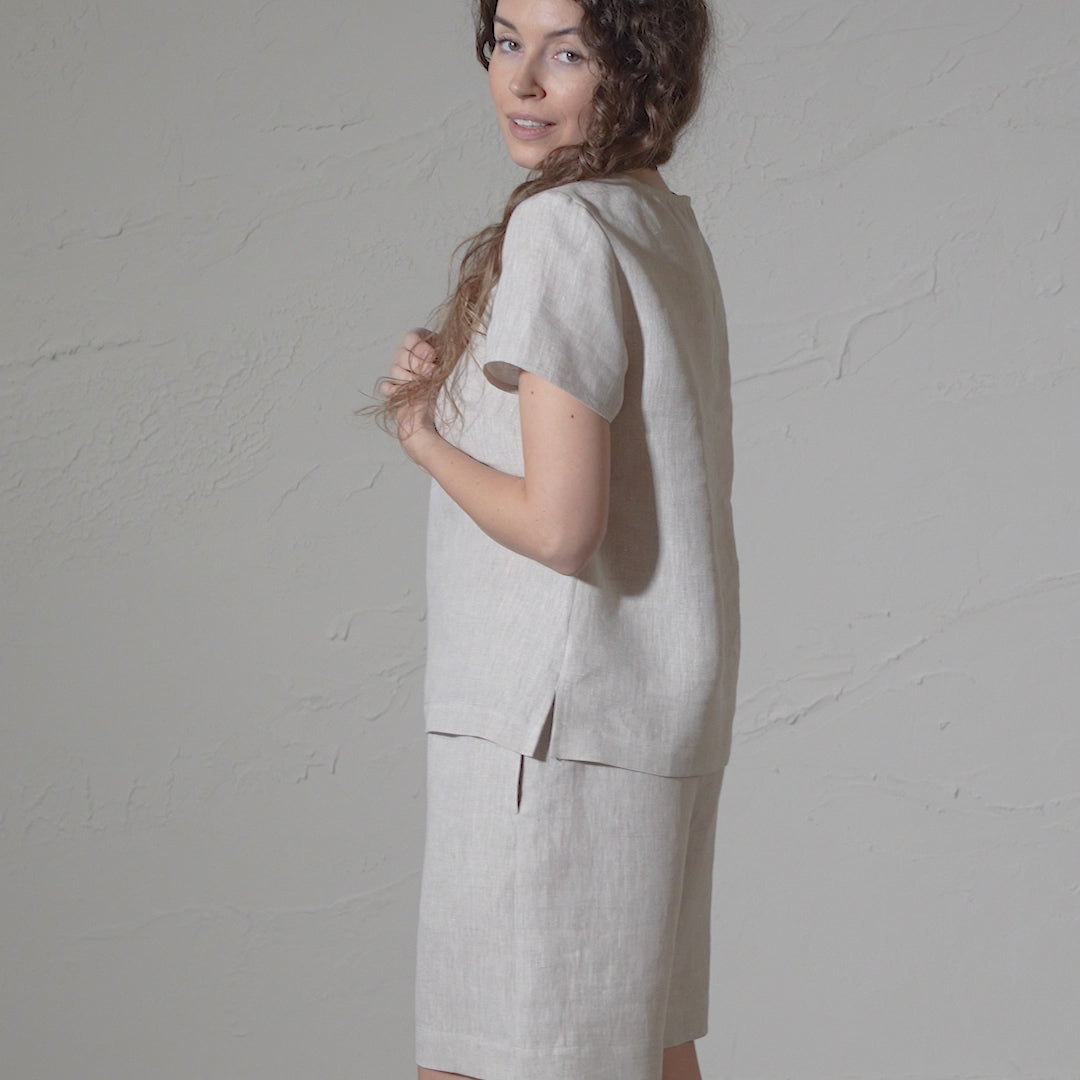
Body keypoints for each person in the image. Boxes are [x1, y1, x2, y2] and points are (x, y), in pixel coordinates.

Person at [376, 0, 739, 1077]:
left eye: (567, 52)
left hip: (549, 727)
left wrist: (420, 432)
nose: (523, 82)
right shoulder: (657, 220)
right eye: (506, 42)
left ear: (634, 68)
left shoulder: (563, 227)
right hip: (641, 713)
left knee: (481, 1061)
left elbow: (561, 524)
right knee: (645, 1050)